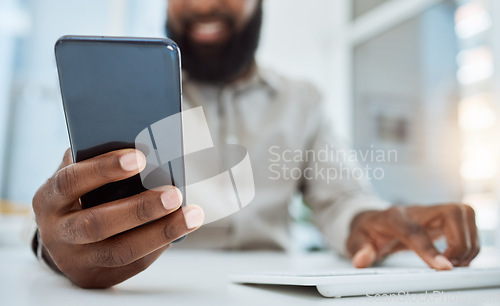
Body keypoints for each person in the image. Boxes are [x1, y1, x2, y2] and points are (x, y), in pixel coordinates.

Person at [31, 0, 479, 289]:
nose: (205, 4)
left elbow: (340, 198)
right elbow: (56, 210)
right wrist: (57, 246)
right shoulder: (120, 99)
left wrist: (368, 220)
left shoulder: (303, 100)